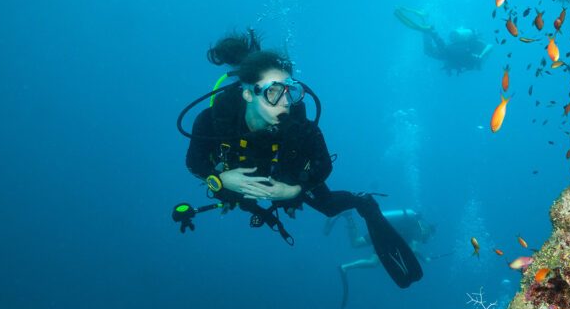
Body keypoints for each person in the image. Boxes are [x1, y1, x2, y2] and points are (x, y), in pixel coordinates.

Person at [179, 30, 423, 289]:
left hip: (287, 176)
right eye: (274, 92)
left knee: (328, 205)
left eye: (290, 91)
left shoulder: (299, 125)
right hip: (236, 180)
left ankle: (365, 204)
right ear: (248, 93)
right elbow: (195, 163)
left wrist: (294, 189)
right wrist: (220, 179)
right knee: (235, 198)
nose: (285, 102)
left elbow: (323, 165)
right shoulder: (213, 121)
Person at [325, 209, 437, 307]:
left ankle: (348, 216)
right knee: (373, 262)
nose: (425, 239)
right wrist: (424, 258)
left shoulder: (411, 225)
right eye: (427, 236)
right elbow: (413, 250)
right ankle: (345, 267)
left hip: (381, 232)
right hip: (385, 241)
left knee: (356, 243)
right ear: (426, 229)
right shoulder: (417, 231)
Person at [395, 6, 493, 74]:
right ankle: (432, 31)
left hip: (452, 55)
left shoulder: (474, 52)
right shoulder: (478, 44)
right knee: (444, 50)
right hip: (456, 53)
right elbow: (490, 46)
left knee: (429, 51)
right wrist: (481, 56)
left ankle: (424, 21)